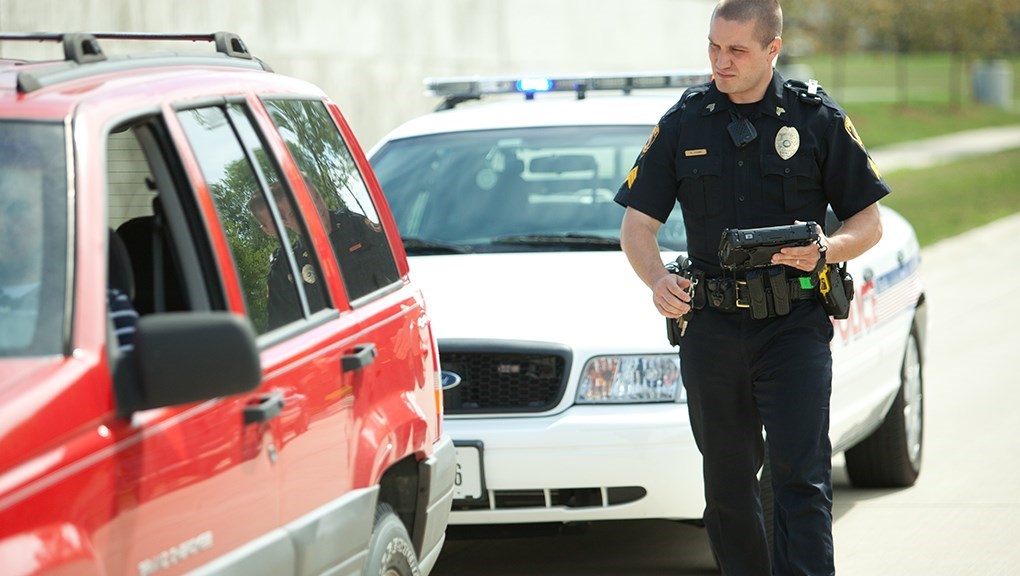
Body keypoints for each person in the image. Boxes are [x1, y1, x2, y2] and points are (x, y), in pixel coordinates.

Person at [615, 1, 888, 574]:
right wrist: (657, 278)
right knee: (728, 487)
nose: (721, 60)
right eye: (714, 47)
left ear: (772, 49)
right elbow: (638, 227)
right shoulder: (685, 120)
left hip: (793, 328)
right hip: (711, 330)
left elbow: (869, 222)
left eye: (736, 50)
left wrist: (825, 251)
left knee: (801, 481)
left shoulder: (816, 119)